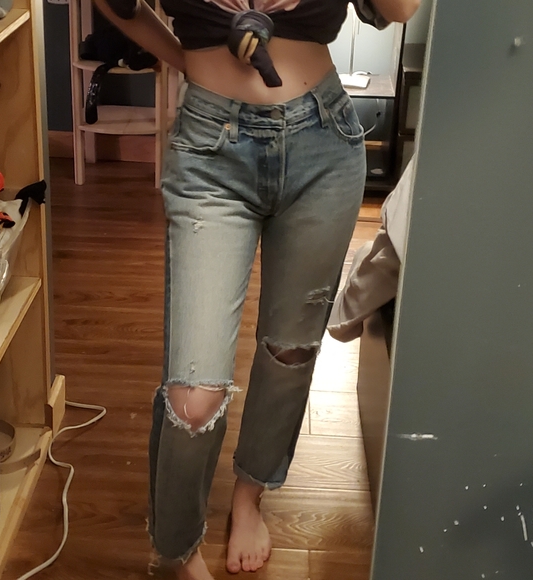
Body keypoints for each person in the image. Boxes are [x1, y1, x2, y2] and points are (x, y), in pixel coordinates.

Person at [91, 1, 420, 579]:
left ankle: (249, 497)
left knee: (289, 352)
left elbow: (400, 8)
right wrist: (182, 57)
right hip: (210, 153)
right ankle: (177, 549)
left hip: (324, 142)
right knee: (194, 397)